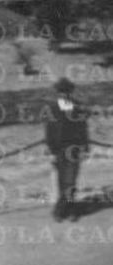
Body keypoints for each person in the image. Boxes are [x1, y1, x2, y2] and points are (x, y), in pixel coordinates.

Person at [45, 77, 89, 221]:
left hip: (74, 149)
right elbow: (49, 131)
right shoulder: (52, 109)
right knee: (62, 182)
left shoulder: (77, 107)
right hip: (58, 150)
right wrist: (51, 151)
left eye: (67, 91)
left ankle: (62, 210)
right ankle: (66, 209)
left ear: (70, 92)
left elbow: (83, 128)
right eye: (61, 91)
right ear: (58, 93)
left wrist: (85, 148)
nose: (64, 94)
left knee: (70, 181)